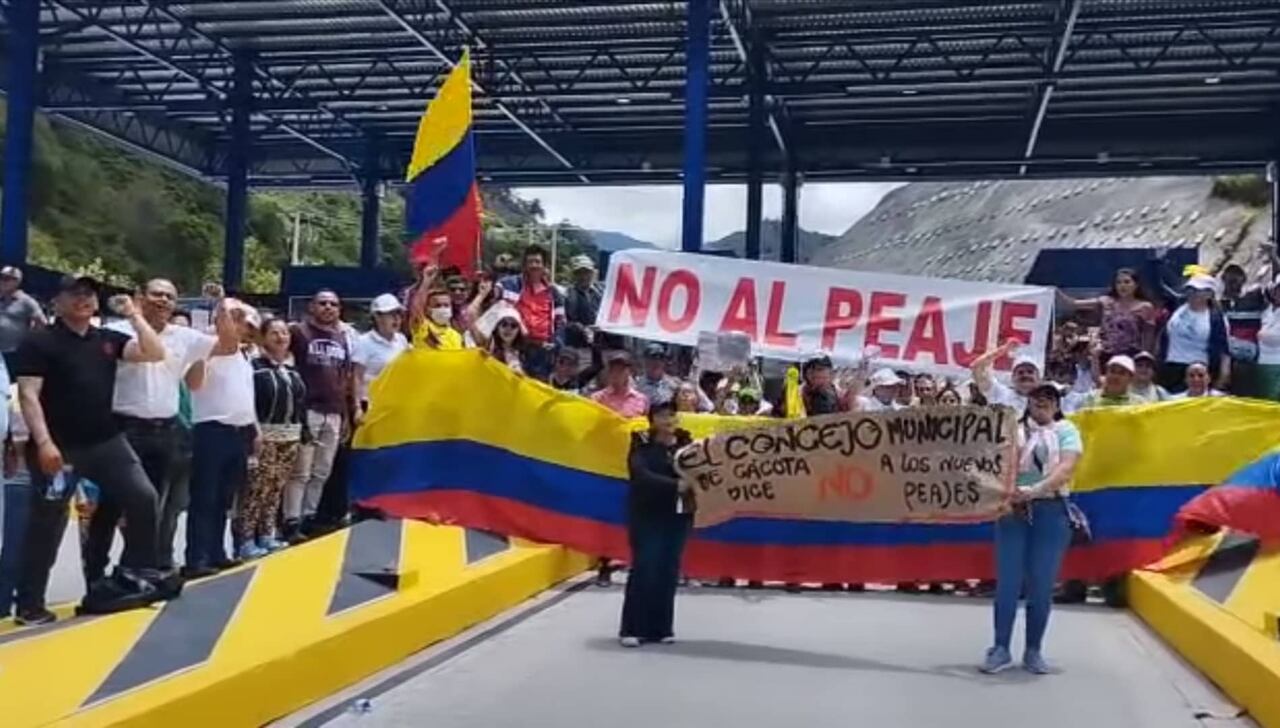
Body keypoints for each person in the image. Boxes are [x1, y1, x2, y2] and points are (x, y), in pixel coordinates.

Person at [13, 276, 170, 623]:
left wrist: (134, 314)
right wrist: (44, 443)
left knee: (143, 498)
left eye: (89, 294)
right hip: (59, 448)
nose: (83, 299)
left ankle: (137, 573)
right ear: (57, 301)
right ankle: (30, 604)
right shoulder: (40, 341)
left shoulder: (107, 340)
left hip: (106, 441)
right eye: (75, 294)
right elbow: (28, 395)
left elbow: (155, 352)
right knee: (47, 526)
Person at [88, 279, 230, 585]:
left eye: (170, 296)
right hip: (122, 429)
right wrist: (133, 316)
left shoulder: (185, 336)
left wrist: (222, 305)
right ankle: (94, 574)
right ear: (140, 297)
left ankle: (134, 572)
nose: (163, 300)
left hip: (164, 431)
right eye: (157, 294)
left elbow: (228, 345)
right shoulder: (115, 332)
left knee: (150, 508)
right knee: (111, 506)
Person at [982, 383, 1082, 675]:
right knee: (1008, 582)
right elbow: (994, 462)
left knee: (1041, 583)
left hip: (1051, 510)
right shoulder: (1012, 430)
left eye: (1050, 397)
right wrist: (1010, 493)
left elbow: (1066, 467)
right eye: (1038, 396)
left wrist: (1036, 490)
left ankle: (1033, 650)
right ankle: (1000, 647)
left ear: (1057, 404)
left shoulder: (1066, 430)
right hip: (1013, 511)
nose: (1043, 401)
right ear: (1028, 402)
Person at [184, 302, 261, 577]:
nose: (243, 327)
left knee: (224, 499)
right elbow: (195, 381)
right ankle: (197, 557)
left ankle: (217, 551)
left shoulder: (243, 354)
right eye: (237, 320)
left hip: (238, 431)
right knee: (205, 497)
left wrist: (255, 428)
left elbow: (245, 394)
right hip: (211, 429)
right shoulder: (208, 345)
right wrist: (225, 306)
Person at [619, 402, 694, 648]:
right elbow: (640, 474)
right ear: (652, 420)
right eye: (662, 415)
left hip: (678, 514)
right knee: (645, 566)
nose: (668, 419)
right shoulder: (640, 441)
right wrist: (674, 485)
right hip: (647, 513)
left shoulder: (687, 442)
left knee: (668, 569)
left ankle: (661, 628)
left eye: (672, 414)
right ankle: (632, 628)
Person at [285, 290, 355, 540]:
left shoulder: (342, 338)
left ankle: (309, 516)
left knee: (321, 471)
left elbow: (345, 378)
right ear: (311, 307)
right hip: (308, 410)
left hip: (334, 412)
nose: (328, 307)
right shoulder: (298, 332)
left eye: (333, 304)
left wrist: (346, 414)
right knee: (300, 471)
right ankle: (291, 520)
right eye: (322, 303)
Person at [238, 317, 307, 557]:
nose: (280, 337)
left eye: (284, 333)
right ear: (263, 338)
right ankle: (246, 539)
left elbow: (299, 402)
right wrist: (253, 431)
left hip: (290, 435)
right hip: (264, 435)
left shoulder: (291, 370)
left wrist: (303, 430)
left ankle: (267, 533)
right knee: (257, 488)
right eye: (274, 333)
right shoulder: (254, 367)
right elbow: (249, 401)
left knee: (276, 487)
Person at [498, 245, 565, 379]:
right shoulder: (510, 284)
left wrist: (555, 344)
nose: (534, 265)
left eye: (537, 262)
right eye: (530, 262)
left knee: (538, 386)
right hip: (517, 347)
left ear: (544, 265)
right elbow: (493, 302)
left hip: (543, 351)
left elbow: (561, 322)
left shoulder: (554, 293)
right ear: (524, 265)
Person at [1060, 268, 1156, 360]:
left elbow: (1149, 336)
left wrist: (1145, 357)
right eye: (1118, 282)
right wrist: (1056, 291)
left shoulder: (1145, 307)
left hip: (1130, 355)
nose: (1122, 286)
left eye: (1127, 282)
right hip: (1105, 354)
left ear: (1136, 285)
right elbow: (1073, 304)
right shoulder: (1106, 301)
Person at [1159, 275, 1229, 393]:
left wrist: (1224, 373)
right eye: (1190, 290)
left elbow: (1224, 348)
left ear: (1209, 294)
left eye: (1198, 290)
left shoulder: (1216, 318)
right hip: (1172, 365)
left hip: (1198, 369)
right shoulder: (1177, 308)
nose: (1193, 294)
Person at [352, 294, 409, 415]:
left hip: (396, 403)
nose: (396, 319)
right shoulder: (363, 342)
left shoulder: (401, 340)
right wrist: (357, 407)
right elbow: (357, 377)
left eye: (398, 314)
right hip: (372, 405)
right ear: (377, 317)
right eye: (391, 314)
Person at [970, 339, 1043, 416]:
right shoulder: (999, 392)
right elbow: (977, 367)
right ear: (1013, 378)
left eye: (1030, 372)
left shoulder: (1046, 402)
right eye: (1020, 372)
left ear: (1039, 378)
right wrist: (1003, 350)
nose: (1025, 375)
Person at [0, 265, 46, 372]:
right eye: (1, 277)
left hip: (14, 352)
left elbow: (42, 323)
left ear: (17, 282)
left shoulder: (26, 301)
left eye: (7, 279)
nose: (2, 281)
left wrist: (31, 341)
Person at [592, 352, 650, 418]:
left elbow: (645, 422)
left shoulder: (641, 399)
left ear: (630, 372)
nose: (616, 373)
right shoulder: (598, 398)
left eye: (621, 369)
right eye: (613, 369)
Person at [476, 302, 527, 374]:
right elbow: (471, 313)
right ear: (497, 327)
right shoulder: (489, 344)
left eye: (513, 325)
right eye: (504, 324)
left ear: (519, 330)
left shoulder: (523, 352)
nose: (508, 329)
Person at [564, 255, 602, 349]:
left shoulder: (601, 292)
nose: (583, 276)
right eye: (580, 273)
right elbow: (566, 321)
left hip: (602, 343)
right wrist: (582, 329)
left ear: (592, 273)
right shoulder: (568, 294)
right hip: (578, 346)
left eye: (586, 272)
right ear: (575, 275)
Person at [1258, 280, 1280, 401]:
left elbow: (1272, 337)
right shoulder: (1267, 311)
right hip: (1263, 362)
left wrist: (1262, 335)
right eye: (1278, 289)